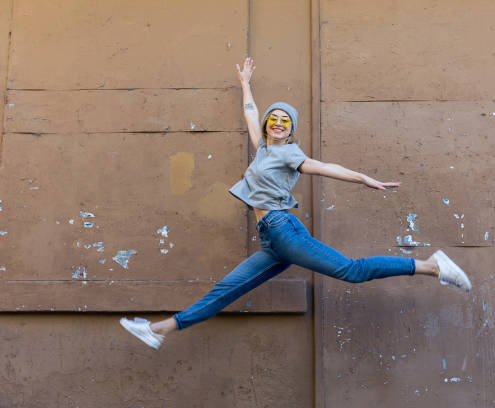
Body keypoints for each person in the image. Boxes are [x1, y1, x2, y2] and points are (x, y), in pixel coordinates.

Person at [120, 57, 471, 349]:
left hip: (282, 228)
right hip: (272, 240)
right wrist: (245, 82)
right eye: (273, 118)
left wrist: (364, 178)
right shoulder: (263, 150)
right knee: (226, 290)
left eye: (284, 121)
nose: (276, 123)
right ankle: (158, 331)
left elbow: (323, 167)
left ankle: (430, 266)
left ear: (291, 131)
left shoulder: (289, 153)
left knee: (352, 270)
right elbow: (249, 114)